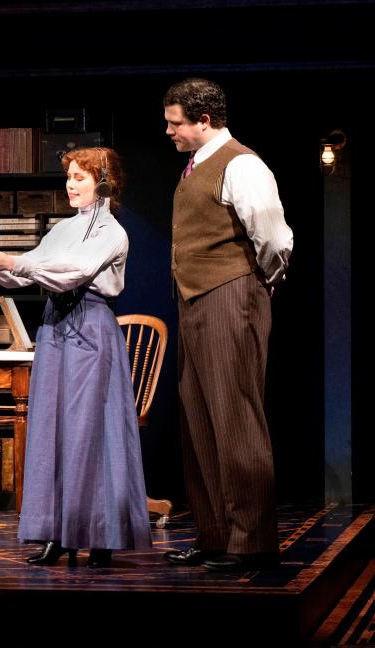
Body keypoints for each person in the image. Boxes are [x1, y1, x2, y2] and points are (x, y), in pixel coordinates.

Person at [0, 147, 151, 567]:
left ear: (104, 183)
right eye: (70, 177)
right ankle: (58, 534)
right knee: (52, 430)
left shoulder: (111, 232)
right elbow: (30, 270)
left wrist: (11, 261)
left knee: (87, 433)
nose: (71, 184)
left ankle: (99, 536)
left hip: (89, 329)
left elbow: (71, 273)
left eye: (80, 177)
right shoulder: (62, 229)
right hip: (56, 328)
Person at [161, 78, 293, 572]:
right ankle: (215, 534)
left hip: (230, 296)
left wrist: (259, 282)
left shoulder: (241, 163)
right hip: (196, 301)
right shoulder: (194, 166)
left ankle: (251, 541)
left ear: (205, 121)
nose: (169, 130)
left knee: (236, 418)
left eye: (176, 123)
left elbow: (273, 235)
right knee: (199, 418)